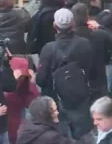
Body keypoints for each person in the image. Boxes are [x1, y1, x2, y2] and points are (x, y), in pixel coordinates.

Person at [35, 8, 94, 140]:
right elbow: (91, 71)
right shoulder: (85, 44)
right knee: (81, 134)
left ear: (54, 25)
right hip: (80, 97)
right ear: (73, 24)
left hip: (56, 99)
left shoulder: (48, 49)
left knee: (60, 135)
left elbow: (41, 80)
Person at [16, 96, 81, 144]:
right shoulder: (53, 138)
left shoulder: (24, 130)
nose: (57, 113)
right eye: (54, 111)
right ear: (45, 114)